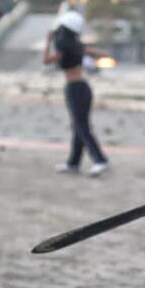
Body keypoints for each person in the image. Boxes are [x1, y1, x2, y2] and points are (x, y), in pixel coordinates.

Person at [44, 11, 111, 176]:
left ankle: (100, 159)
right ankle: (73, 162)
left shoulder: (63, 48)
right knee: (78, 126)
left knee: (82, 127)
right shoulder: (77, 46)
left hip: (75, 88)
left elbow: (46, 60)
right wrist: (100, 54)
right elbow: (100, 54)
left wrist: (48, 41)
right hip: (83, 87)